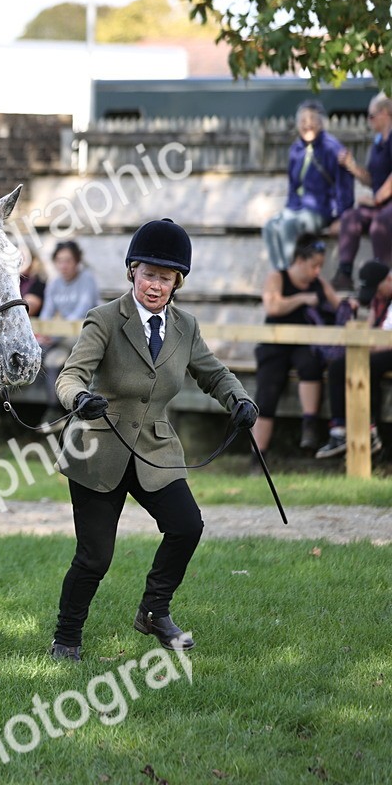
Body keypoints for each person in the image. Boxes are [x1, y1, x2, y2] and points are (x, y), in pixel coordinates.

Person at [49, 218, 258, 662]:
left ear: (177, 281)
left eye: (165, 278)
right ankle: (66, 637)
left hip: (154, 450)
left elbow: (214, 374)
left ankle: (153, 611)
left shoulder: (186, 327)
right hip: (97, 450)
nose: (155, 286)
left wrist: (239, 400)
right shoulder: (104, 319)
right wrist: (80, 398)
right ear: (132, 272)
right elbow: (70, 375)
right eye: (148, 275)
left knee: (186, 526)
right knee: (95, 558)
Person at [253, 236, 348, 456]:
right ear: (300, 260)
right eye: (314, 265)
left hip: (306, 345)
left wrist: (347, 306)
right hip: (275, 344)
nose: (317, 271)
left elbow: (338, 306)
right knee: (267, 393)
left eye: (320, 266)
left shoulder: (319, 284)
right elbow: (273, 306)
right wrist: (302, 298)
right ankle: (258, 457)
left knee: (310, 364)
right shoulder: (277, 277)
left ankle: (310, 425)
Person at [262, 100, 353, 271]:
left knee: (289, 226)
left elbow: (344, 184)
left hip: (320, 210)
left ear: (321, 122)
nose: (307, 125)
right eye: (302, 121)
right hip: (295, 208)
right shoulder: (295, 149)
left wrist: (343, 216)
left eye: (312, 120)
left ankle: (292, 276)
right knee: (270, 226)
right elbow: (292, 185)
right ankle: (282, 272)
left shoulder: (331, 148)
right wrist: (289, 208)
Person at [316, 260, 392, 458]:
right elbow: (370, 328)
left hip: (387, 346)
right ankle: (339, 429)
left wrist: (361, 348)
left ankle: (369, 428)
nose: (375, 294)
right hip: (380, 346)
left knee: (364, 364)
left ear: (389, 280)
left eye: (377, 289)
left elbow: (386, 340)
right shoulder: (379, 298)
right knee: (338, 367)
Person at [0, 247, 46, 423]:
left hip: (30, 337)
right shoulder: (6, 282)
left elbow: (29, 307)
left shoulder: (38, 283)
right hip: (4, 335)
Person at [331, 93, 392, 291]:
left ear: (385, 113)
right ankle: (344, 274)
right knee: (350, 217)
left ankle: (382, 278)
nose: (369, 120)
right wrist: (351, 166)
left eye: (371, 115)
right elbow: (371, 179)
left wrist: (376, 199)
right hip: (379, 203)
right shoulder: (377, 144)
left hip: (386, 205)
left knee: (379, 224)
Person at [37, 240, 100, 429]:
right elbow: (47, 312)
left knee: (57, 359)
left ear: (77, 261)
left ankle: (71, 412)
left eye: (68, 261)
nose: (64, 266)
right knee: (50, 359)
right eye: (60, 261)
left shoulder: (87, 279)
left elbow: (81, 313)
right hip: (63, 336)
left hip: (86, 335)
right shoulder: (54, 283)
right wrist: (43, 331)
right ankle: (54, 410)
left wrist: (52, 334)